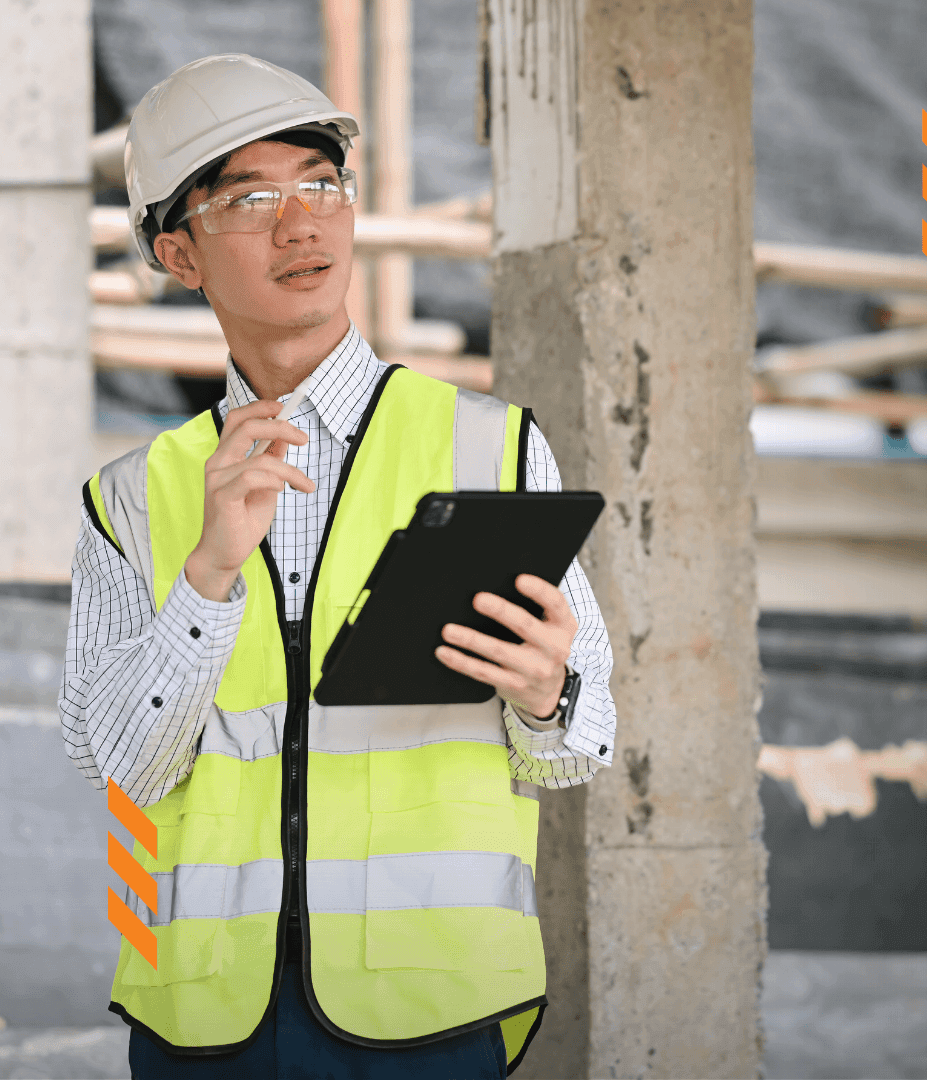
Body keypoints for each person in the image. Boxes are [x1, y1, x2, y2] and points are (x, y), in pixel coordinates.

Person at [60, 53, 616, 1080]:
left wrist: (548, 693)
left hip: (431, 1007)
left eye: (321, 185)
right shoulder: (132, 500)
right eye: (251, 198)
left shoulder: (488, 447)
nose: (300, 223)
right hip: (203, 1020)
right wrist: (206, 578)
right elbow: (116, 767)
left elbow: (580, 747)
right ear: (178, 253)